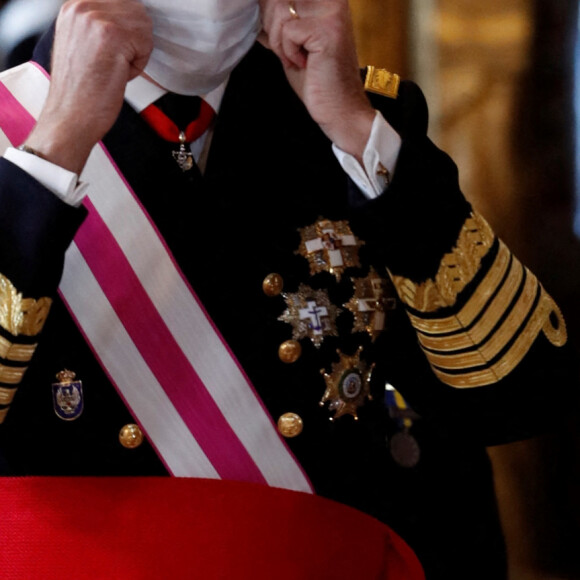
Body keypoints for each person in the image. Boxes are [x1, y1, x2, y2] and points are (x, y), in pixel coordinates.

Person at [0, 0, 575, 578]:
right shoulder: (15, 131)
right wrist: (55, 147)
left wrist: (354, 127)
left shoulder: (354, 118)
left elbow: (522, 395)